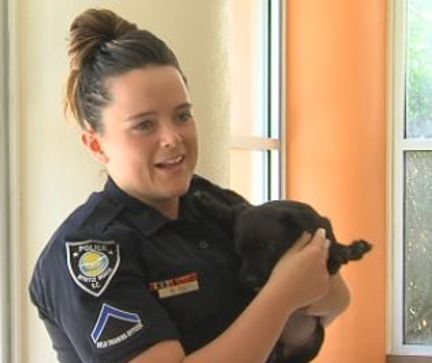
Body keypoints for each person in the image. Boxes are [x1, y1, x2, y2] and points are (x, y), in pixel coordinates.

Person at [29, 8, 350, 363]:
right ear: (96, 145)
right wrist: (283, 294)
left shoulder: (211, 203)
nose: (172, 138)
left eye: (182, 115)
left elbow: (335, 297)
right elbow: (304, 288)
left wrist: (296, 285)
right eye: (144, 125)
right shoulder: (89, 253)